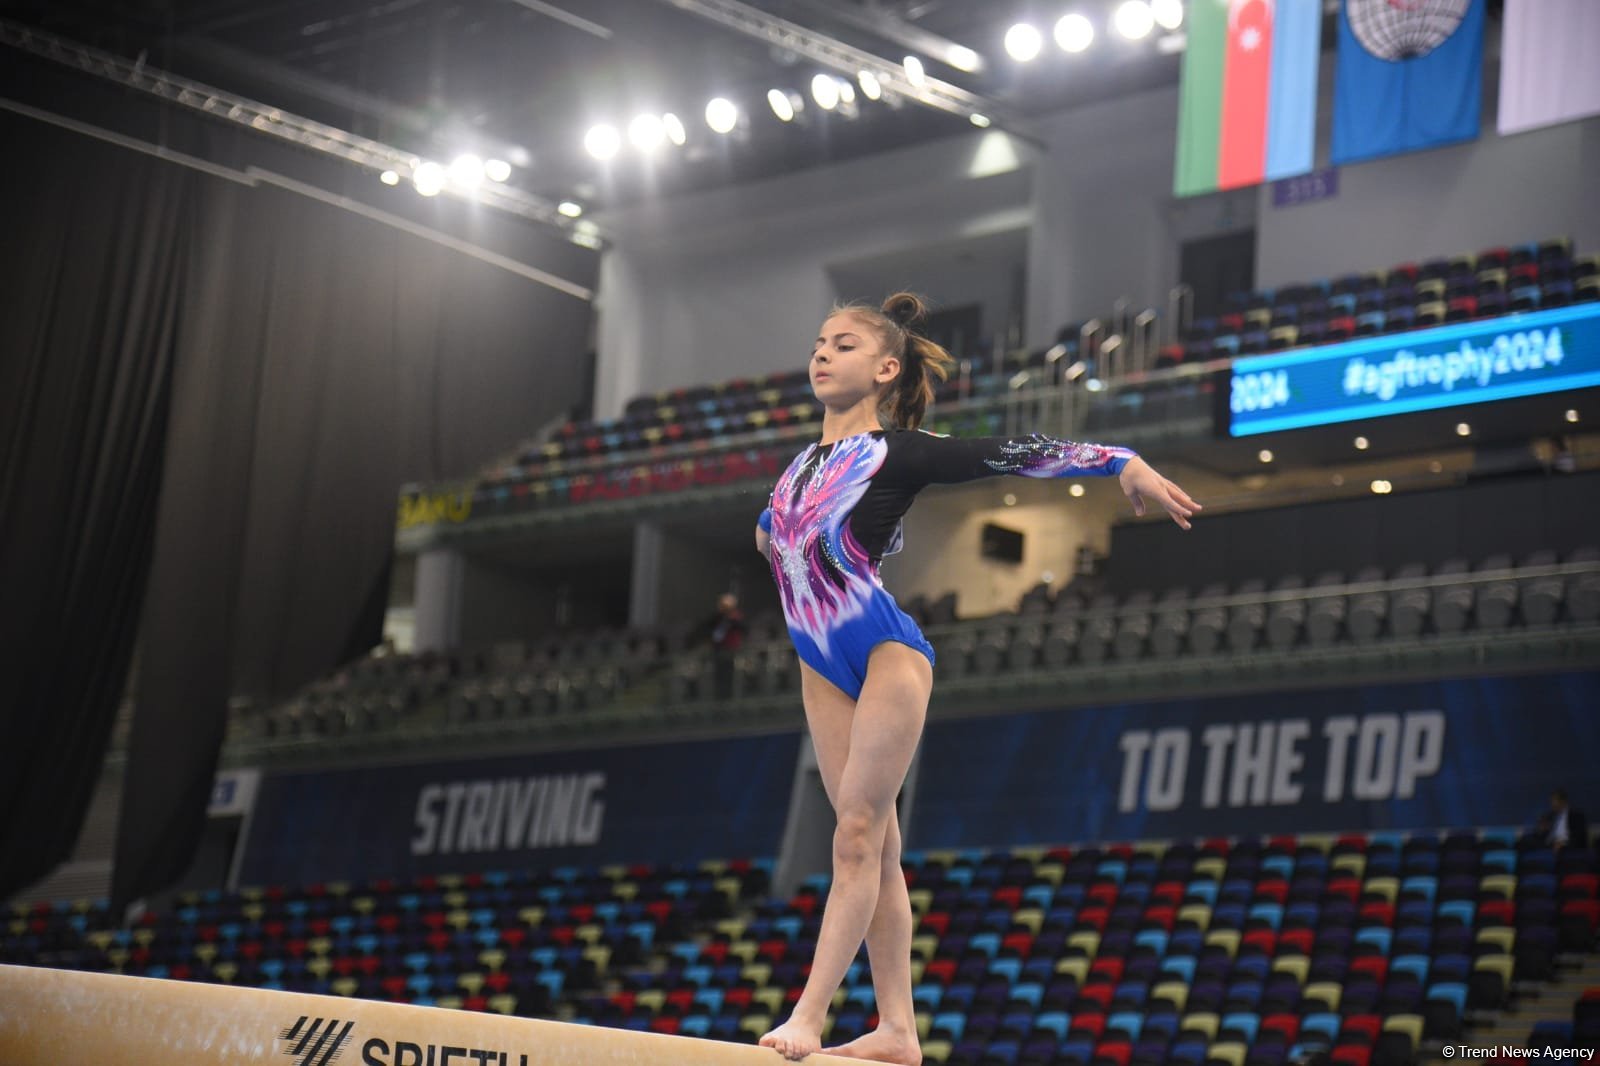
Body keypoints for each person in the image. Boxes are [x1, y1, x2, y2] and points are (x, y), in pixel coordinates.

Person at [752, 292, 1199, 1063]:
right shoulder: (795, 469)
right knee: (876, 849)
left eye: (846, 344)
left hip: (886, 651)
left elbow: (1016, 452)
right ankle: (897, 1031)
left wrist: (1120, 461)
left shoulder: (902, 450)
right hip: (819, 663)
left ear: (886, 369)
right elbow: (773, 541)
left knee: (855, 835)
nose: (823, 353)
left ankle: (809, 1015)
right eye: (820, 341)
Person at [702, 592, 748, 698]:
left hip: (731, 651)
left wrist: (731, 620)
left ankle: (728, 696)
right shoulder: (717, 618)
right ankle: (719, 697)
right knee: (718, 676)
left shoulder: (735, 618)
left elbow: (743, 629)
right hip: (718, 650)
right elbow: (708, 629)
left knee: (729, 676)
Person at [1538, 788, 1589, 852]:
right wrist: (1541, 830)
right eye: (1551, 801)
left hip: (1568, 846)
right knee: (1525, 841)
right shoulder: (1549, 816)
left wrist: (1563, 843)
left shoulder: (1577, 816)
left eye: (1553, 801)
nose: (1551, 804)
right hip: (1550, 845)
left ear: (1563, 801)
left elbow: (1579, 836)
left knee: (1559, 849)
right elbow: (1542, 835)